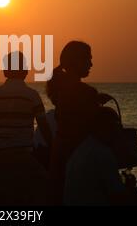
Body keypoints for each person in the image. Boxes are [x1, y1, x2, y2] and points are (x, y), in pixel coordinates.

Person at [47, 41, 113, 203]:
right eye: (87, 59)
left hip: (59, 153)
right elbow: (90, 123)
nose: (91, 63)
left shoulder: (59, 88)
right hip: (77, 155)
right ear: (76, 61)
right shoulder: (86, 92)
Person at [0, 51, 52, 152]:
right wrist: (53, 148)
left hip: (0, 153)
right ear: (25, 71)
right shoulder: (32, 95)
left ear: (5, 71)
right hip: (25, 155)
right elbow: (44, 127)